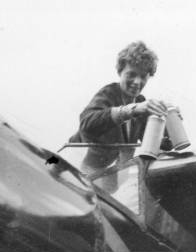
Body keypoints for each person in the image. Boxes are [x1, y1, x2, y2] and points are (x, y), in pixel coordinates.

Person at [70, 41, 172, 172]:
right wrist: (132, 110)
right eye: (131, 74)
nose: (137, 82)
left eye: (143, 76)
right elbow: (86, 123)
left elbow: (159, 144)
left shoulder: (141, 101)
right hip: (79, 168)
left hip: (111, 174)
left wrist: (169, 121)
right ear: (120, 71)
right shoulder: (109, 93)